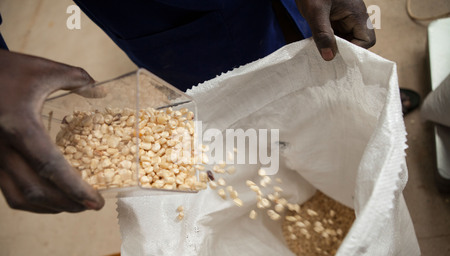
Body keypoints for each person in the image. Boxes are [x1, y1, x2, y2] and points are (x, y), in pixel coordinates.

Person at [0, 0, 375, 214]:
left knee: (311, 65)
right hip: (169, 12)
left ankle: (324, 120)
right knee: (233, 110)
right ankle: (275, 160)